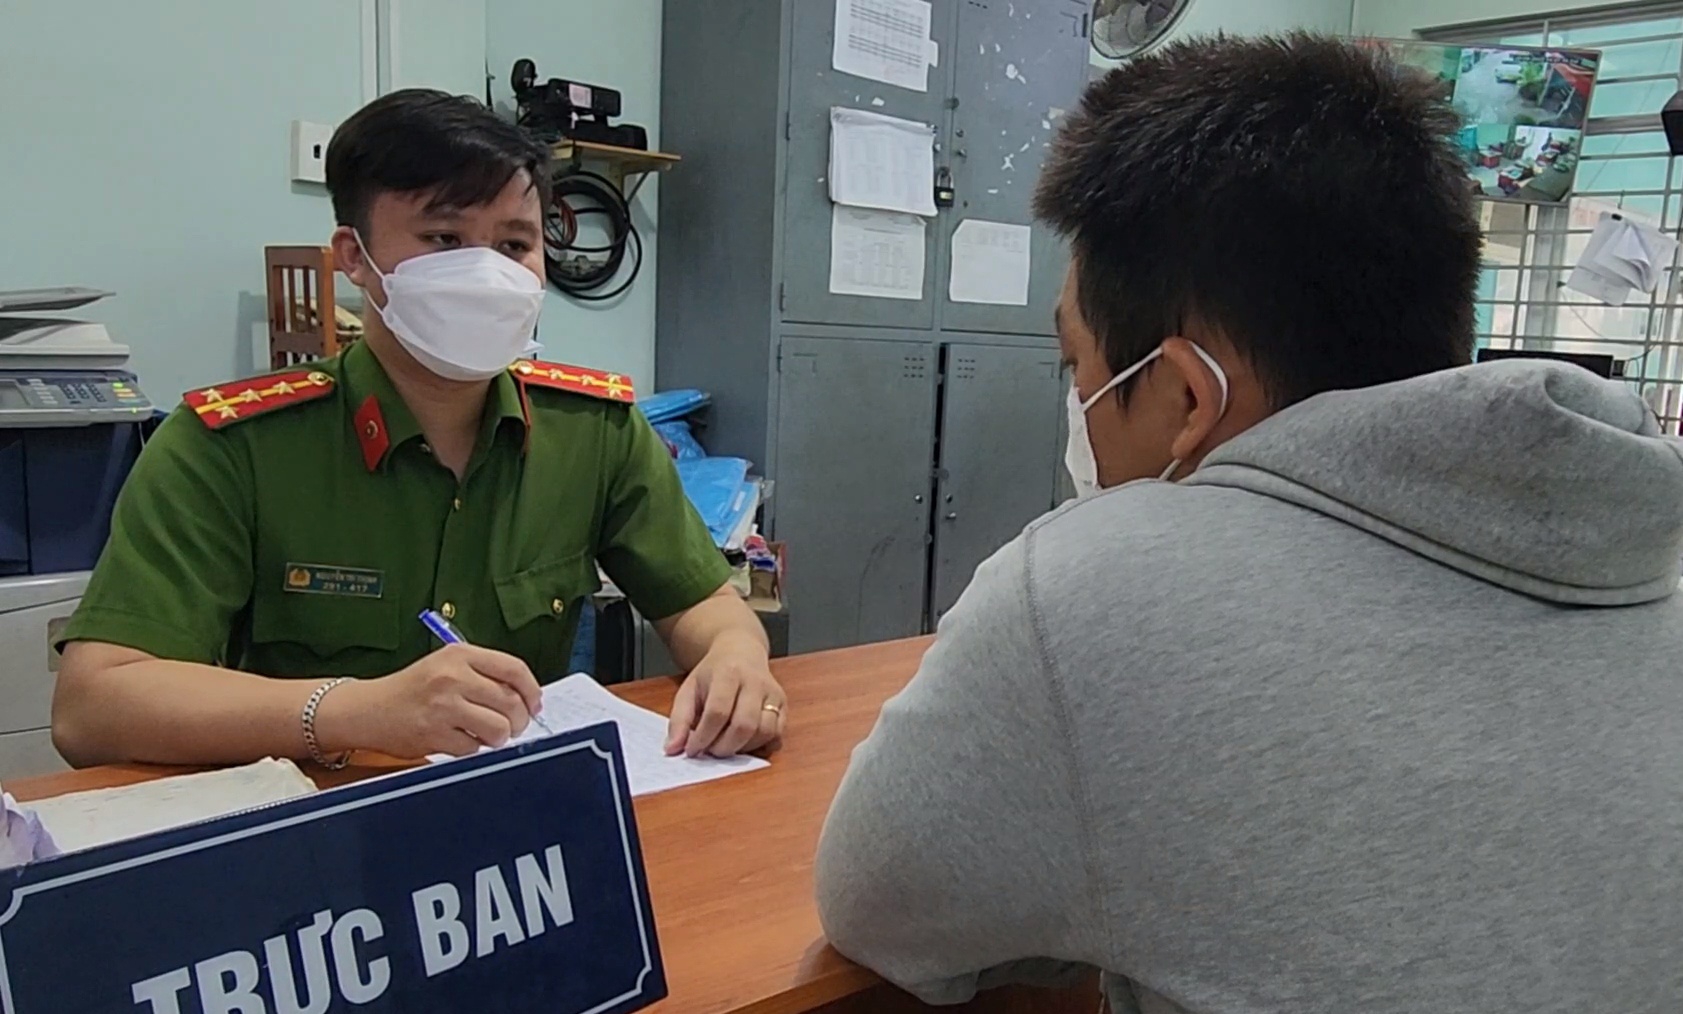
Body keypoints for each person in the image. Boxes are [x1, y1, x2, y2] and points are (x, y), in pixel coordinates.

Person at [815, 33, 1683, 1013]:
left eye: (1079, 372)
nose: (1080, 406)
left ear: (1188, 396)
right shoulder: (1651, 558)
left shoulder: (1090, 595)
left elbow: (876, 910)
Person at [53, 89, 785, 769]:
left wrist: (735, 661)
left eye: (513, 245)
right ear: (354, 259)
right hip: (319, 836)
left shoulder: (592, 430)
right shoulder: (231, 445)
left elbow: (707, 606)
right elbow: (93, 705)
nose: (485, 272)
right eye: (442, 237)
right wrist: (351, 710)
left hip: (523, 824)